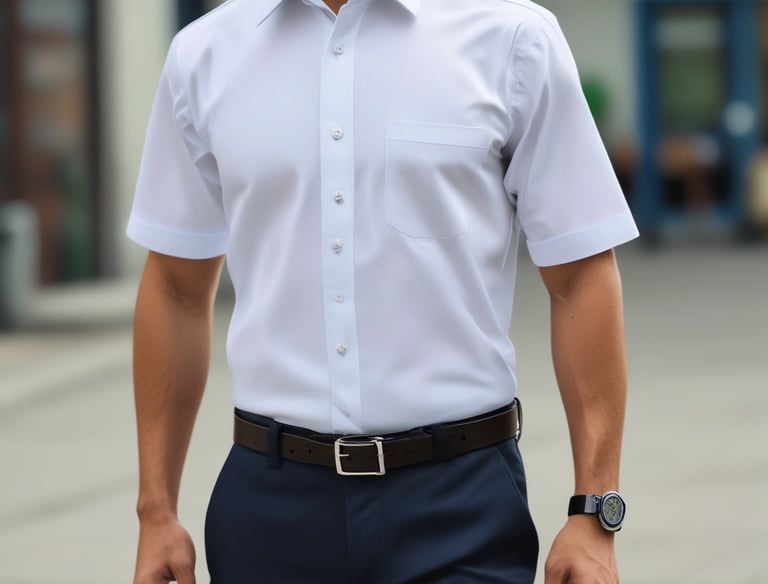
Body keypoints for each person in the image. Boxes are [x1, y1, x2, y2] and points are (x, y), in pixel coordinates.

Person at [128, 0, 639, 582]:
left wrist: (596, 510)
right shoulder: (205, 54)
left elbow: (580, 276)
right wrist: (155, 510)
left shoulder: (514, 38)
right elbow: (175, 288)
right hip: (270, 512)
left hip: (460, 505)